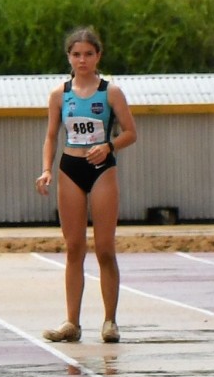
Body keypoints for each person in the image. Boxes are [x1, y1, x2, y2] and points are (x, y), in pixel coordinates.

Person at [35, 27, 137, 344]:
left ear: (98, 56)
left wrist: (109, 146)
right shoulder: (59, 94)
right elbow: (51, 136)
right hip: (70, 168)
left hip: (102, 169)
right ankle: (72, 323)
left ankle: (109, 322)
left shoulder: (111, 92)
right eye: (76, 54)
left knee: (105, 248)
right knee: (74, 248)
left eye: (88, 54)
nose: (82, 60)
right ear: (69, 57)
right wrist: (46, 169)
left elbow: (131, 132)